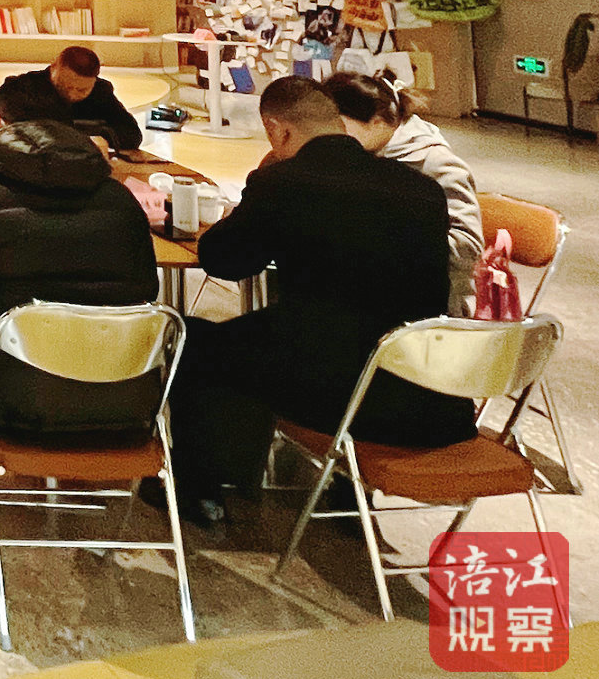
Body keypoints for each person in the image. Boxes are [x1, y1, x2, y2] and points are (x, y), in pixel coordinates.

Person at [166, 76, 472, 521]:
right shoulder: (419, 188)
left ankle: (203, 490)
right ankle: (348, 487)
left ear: (278, 131)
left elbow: (223, 260)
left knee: (191, 338)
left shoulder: (284, 182)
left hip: (333, 394)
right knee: (293, 333)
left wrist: (253, 196)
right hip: (427, 391)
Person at [0, 73, 161, 555]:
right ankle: (92, 499)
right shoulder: (120, 200)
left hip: (9, 393)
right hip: (119, 398)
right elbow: (145, 292)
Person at [325, 72, 483, 316]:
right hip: (370, 290)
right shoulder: (358, 155)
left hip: (432, 304)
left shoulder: (435, 163)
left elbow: (467, 246)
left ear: (377, 122)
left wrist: (384, 246)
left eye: (340, 126)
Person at [0, 45, 143, 152]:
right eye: (64, 86)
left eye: (82, 90)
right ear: (53, 69)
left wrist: (103, 137)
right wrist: (82, 136)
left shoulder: (100, 92)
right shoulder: (24, 86)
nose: (72, 94)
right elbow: (8, 111)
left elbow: (132, 135)